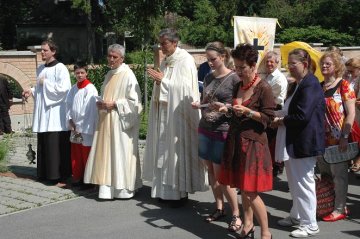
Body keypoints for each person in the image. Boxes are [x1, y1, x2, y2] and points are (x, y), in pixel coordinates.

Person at [143, 28, 207, 207]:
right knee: (163, 153)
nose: (161, 47)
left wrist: (163, 81)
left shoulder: (185, 60)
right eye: (160, 43)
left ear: (175, 43)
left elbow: (187, 90)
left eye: (164, 44)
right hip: (163, 112)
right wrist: (160, 82)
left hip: (178, 115)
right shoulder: (166, 61)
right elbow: (164, 83)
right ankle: (163, 192)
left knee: (175, 154)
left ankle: (178, 194)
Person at [217, 43, 275, 239]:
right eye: (236, 66)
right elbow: (237, 110)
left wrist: (249, 112)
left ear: (253, 65)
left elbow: (269, 119)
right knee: (243, 188)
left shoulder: (264, 88)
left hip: (253, 145)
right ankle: (248, 225)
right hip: (235, 142)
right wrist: (228, 109)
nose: (238, 71)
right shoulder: (237, 85)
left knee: (251, 192)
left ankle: (266, 233)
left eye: (242, 67)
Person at [274, 48, 325, 238]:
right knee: (295, 183)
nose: (289, 67)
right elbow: (291, 109)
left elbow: (302, 116)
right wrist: (278, 114)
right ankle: (297, 216)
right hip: (295, 140)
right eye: (288, 64)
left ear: (305, 64)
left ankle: (310, 224)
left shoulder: (310, 84)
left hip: (304, 142)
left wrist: (280, 121)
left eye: (292, 64)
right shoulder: (300, 83)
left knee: (304, 183)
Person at [191, 42, 242, 231]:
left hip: (223, 130)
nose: (210, 63)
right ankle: (219, 207)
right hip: (205, 127)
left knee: (223, 177)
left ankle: (236, 213)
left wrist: (225, 107)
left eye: (213, 59)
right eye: (208, 59)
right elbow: (206, 100)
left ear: (222, 56)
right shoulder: (208, 76)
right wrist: (199, 103)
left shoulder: (234, 78)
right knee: (211, 173)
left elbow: (238, 106)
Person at [83, 44, 143, 199]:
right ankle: (107, 190)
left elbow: (135, 103)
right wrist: (101, 103)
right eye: (109, 56)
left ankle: (123, 190)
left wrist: (115, 104)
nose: (111, 59)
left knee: (120, 153)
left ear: (122, 58)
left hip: (120, 123)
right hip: (106, 121)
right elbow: (105, 94)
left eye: (114, 57)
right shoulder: (109, 74)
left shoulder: (128, 75)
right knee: (106, 154)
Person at [22, 40, 72, 186]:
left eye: (45, 50)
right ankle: (44, 173)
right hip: (43, 111)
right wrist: (30, 91)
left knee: (54, 143)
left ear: (53, 51)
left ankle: (56, 175)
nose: (42, 53)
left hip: (55, 112)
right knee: (44, 141)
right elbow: (39, 90)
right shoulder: (41, 68)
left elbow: (64, 89)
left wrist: (47, 84)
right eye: (42, 50)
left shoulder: (60, 68)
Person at [317, 51, 355, 221]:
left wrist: (345, 136)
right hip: (321, 138)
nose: (324, 66)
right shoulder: (319, 86)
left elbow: (351, 112)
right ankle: (329, 203)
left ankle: (340, 208)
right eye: (323, 63)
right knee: (325, 175)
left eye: (328, 64)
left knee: (339, 175)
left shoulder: (344, 85)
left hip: (338, 137)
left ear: (337, 66)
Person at [65, 62, 98, 188]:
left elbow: (89, 110)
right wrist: (70, 120)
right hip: (74, 127)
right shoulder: (73, 88)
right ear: (74, 74)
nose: (79, 75)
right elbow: (68, 105)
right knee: (76, 154)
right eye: (77, 73)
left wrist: (79, 126)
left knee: (86, 154)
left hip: (85, 128)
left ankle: (88, 180)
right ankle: (77, 177)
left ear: (86, 73)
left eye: (82, 72)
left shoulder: (90, 89)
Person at [263, 51, 288, 176]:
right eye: (267, 61)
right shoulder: (268, 76)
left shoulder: (278, 78)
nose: (269, 64)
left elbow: (276, 99)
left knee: (271, 141)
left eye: (271, 61)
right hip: (268, 109)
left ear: (277, 63)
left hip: (274, 110)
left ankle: (275, 166)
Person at [345, 57, 360, 173]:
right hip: (351, 109)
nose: (349, 73)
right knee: (352, 135)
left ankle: (358, 160)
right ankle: (351, 157)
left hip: (357, 109)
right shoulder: (348, 77)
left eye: (351, 71)